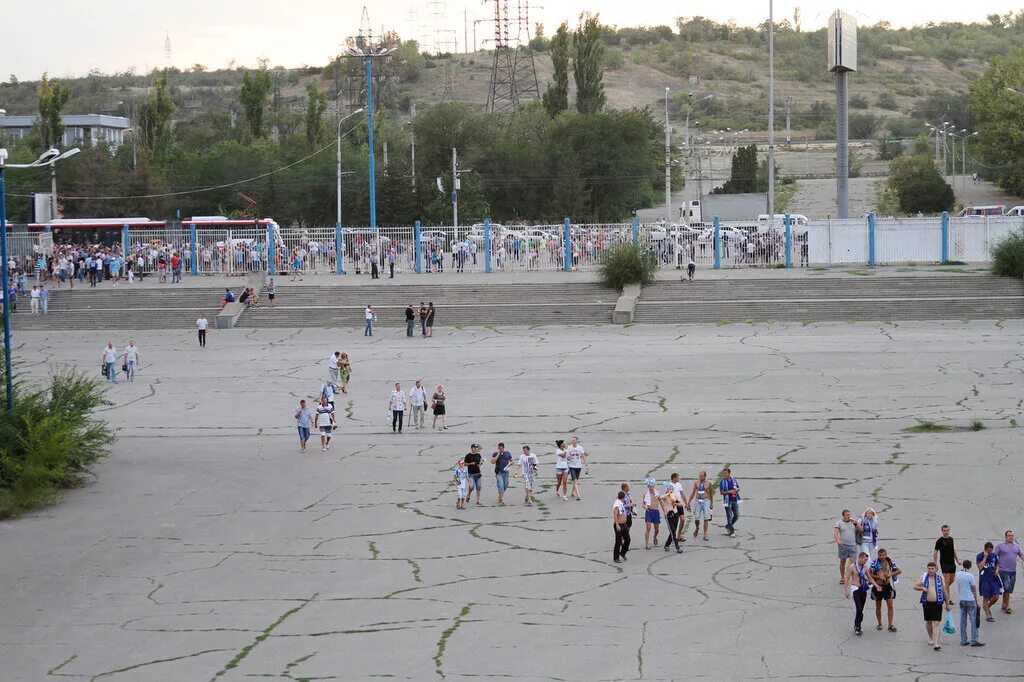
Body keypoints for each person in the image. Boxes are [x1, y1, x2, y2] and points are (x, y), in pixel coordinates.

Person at [914, 562, 948, 650]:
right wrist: (922, 588)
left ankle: (936, 643)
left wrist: (947, 603)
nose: (930, 570)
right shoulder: (924, 577)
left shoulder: (940, 578)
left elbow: (944, 591)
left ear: (936, 569)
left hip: (938, 602)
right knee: (929, 622)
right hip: (927, 602)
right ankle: (931, 638)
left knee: (936, 623)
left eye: (932, 569)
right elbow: (915, 586)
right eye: (929, 568)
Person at [845, 552, 878, 636]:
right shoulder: (852, 566)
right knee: (858, 608)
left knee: (861, 609)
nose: (865, 561)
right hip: (855, 588)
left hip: (862, 589)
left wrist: (876, 585)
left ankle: (858, 622)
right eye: (865, 560)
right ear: (859, 558)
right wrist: (846, 590)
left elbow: (869, 578)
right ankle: (857, 627)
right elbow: (847, 578)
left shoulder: (865, 567)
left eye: (866, 560)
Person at [871, 548, 901, 632]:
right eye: (880, 555)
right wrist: (879, 577)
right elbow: (870, 575)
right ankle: (879, 623)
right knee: (878, 606)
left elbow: (899, 571)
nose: (882, 557)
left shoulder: (890, 562)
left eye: (883, 555)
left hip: (887, 586)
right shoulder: (874, 563)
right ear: (878, 555)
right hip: (878, 586)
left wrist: (891, 574)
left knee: (890, 606)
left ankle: (890, 625)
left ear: (886, 555)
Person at [994, 529, 1024, 615]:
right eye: (1009, 536)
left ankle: (1004, 604)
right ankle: (1007, 606)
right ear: (1005, 537)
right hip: (1003, 570)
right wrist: (996, 567)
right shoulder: (1000, 545)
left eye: (1012, 536)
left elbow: (1021, 555)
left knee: (1009, 589)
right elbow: (994, 556)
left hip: (1013, 571)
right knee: (1007, 587)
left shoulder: (1016, 546)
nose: (1011, 537)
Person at [955, 560, 984, 647]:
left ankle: (963, 640)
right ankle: (974, 640)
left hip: (962, 599)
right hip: (970, 599)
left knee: (963, 620)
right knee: (973, 620)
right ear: (970, 566)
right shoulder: (970, 576)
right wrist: (976, 601)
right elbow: (973, 589)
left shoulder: (958, 574)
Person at [933, 525, 960, 605]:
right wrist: (935, 564)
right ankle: (948, 599)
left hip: (952, 563)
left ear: (949, 531)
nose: (946, 532)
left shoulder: (951, 539)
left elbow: (953, 550)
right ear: (942, 531)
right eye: (944, 530)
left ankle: (942, 588)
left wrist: (957, 560)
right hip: (944, 563)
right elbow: (935, 552)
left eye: (947, 530)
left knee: (951, 580)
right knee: (947, 580)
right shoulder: (939, 541)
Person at [834, 509, 862, 585]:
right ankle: (842, 577)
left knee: (852, 564)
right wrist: (837, 540)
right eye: (847, 515)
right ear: (843, 515)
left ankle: (848, 577)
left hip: (853, 545)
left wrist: (856, 524)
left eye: (850, 514)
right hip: (843, 545)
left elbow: (861, 530)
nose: (849, 516)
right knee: (842, 562)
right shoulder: (839, 523)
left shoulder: (853, 522)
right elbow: (835, 532)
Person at [976, 542, 1001, 622]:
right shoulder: (979, 556)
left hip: (993, 579)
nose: (990, 552)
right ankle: (988, 615)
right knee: (986, 597)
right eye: (988, 551)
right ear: (985, 549)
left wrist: (997, 570)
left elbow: (997, 564)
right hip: (984, 580)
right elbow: (980, 567)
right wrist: (985, 557)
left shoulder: (994, 555)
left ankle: (987, 607)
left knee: (996, 596)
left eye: (991, 550)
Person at [660, 481, 683, 553]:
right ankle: (677, 547)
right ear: (667, 489)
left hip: (675, 513)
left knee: (673, 531)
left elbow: (681, 504)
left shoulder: (674, 496)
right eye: (670, 489)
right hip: (669, 515)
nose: (671, 490)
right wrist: (668, 493)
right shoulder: (665, 496)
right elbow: (660, 497)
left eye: (672, 489)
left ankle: (667, 545)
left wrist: (676, 503)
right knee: (673, 531)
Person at [690, 470, 713, 541]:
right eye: (700, 476)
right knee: (697, 518)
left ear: (705, 476)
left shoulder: (709, 483)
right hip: (698, 501)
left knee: (706, 518)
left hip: (706, 501)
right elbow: (693, 492)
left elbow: (711, 494)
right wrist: (688, 502)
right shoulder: (696, 483)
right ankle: (697, 528)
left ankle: (705, 534)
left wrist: (712, 503)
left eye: (702, 476)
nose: (700, 477)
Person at [719, 467, 740, 538]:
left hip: (735, 499)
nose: (724, 475)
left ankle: (728, 526)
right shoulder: (722, 482)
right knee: (729, 516)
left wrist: (737, 489)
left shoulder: (734, 480)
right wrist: (729, 492)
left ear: (729, 473)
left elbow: (738, 488)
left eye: (725, 473)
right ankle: (731, 531)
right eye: (723, 473)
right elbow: (721, 492)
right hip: (728, 501)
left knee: (737, 515)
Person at [566, 436, 589, 500]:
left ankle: (572, 492)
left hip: (579, 466)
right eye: (572, 440)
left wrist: (586, 463)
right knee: (575, 481)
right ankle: (578, 495)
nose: (572, 441)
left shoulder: (580, 448)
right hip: (572, 466)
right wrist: (568, 458)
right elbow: (567, 456)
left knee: (575, 481)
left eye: (574, 440)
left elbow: (583, 456)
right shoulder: (569, 448)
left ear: (576, 441)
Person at [641, 478, 661, 550]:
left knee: (657, 530)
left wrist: (665, 511)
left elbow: (661, 502)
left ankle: (655, 536)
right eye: (650, 486)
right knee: (648, 528)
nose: (652, 488)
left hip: (656, 511)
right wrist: (645, 507)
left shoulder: (657, 493)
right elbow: (643, 504)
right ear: (648, 487)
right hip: (649, 511)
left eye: (653, 486)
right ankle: (647, 544)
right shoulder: (645, 494)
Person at [612, 489, 630, 564]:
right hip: (619, 524)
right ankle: (616, 558)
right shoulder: (617, 504)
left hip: (624, 524)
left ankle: (622, 552)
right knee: (618, 541)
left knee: (628, 539)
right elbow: (615, 515)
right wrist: (617, 525)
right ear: (623, 497)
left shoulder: (620, 502)